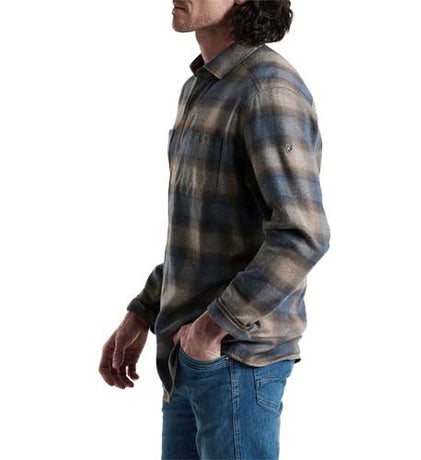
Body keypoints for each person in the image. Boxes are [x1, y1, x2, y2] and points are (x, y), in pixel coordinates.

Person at [99, 1, 330, 458]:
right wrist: (142, 312)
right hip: (186, 356)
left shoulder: (267, 89)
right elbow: (202, 235)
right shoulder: (200, 88)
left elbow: (303, 235)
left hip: (235, 360)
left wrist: (210, 329)